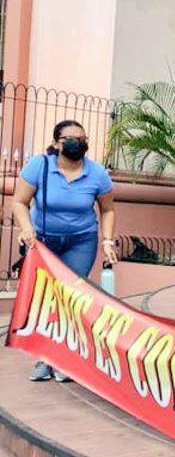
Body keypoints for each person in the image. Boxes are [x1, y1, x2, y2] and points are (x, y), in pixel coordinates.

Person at [15, 120, 119, 382]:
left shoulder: (97, 173)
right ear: (56, 143)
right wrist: (26, 228)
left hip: (80, 242)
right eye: (70, 139)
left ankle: (64, 359)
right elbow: (20, 202)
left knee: (70, 297)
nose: (77, 143)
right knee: (46, 297)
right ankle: (44, 358)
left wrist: (107, 241)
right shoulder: (39, 166)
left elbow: (108, 209)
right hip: (42, 242)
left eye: (82, 139)